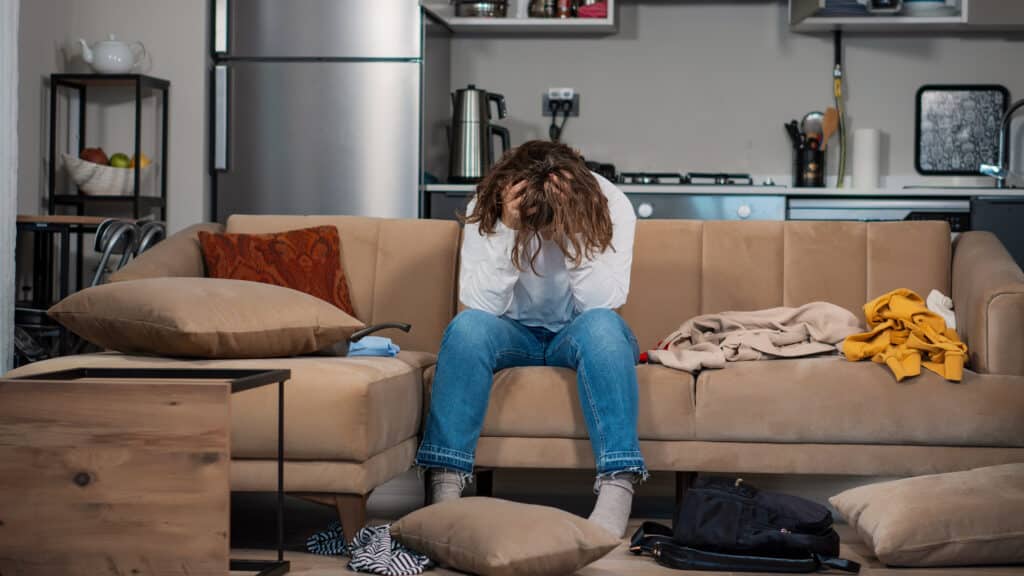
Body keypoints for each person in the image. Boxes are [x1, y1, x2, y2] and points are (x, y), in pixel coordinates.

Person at [415, 140, 644, 537]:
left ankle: (617, 484)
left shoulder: (611, 202)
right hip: (512, 333)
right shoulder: (489, 202)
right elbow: (479, 304)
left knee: (605, 327)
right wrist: (508, 229)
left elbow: (602, 302)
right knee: (466, 328)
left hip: (576, 330)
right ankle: (446, 485)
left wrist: (572, 233)